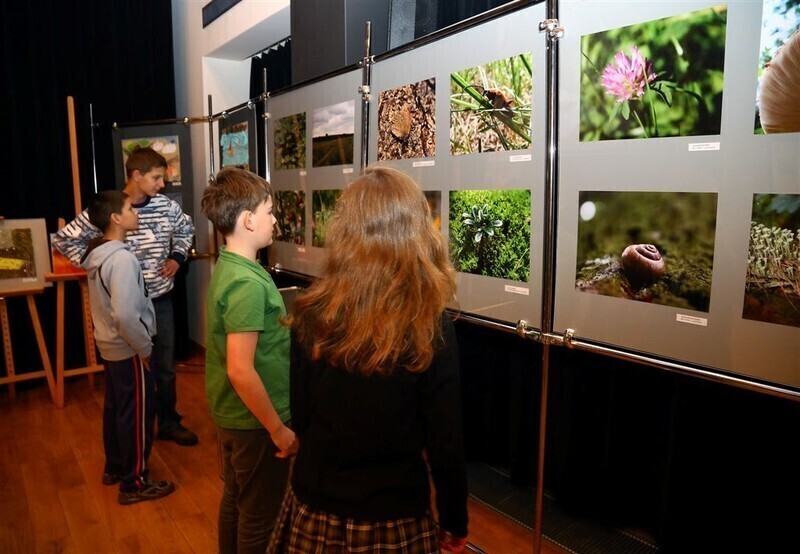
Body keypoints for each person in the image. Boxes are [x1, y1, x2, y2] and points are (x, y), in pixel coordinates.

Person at [268, 167, 469, 553]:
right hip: (394, 519)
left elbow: (302, 415)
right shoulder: (430, 323)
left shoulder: (311, 312)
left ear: (345, 231)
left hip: (315, 509)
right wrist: (454, 518)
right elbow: (445, 441)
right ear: (417, 231)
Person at [53, 146, 198, 446]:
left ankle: (168, 423)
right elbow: (64, 239)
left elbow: (187, 229)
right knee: (130, 377)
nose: (162, 184)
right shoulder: (112, 207)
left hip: (162, 301)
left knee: (166, 368)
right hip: (126, 309)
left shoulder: (167, 206)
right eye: (157, 178)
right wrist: (97, 262)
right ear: (136, 175)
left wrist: (177, 257)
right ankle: (138, 430)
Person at [201, 167, 298, 553]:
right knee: (261, 516)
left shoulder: (231, 267)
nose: (275, 219)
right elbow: (240, 369)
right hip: (256, 423)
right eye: (270, 211)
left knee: (237, 500)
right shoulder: (246, 283)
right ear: (248, 219)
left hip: (235, 417)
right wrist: (278, 429)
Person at [80, 190, 175, 505]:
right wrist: (145, 347)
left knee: (117, 408)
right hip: (128, 348)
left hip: (110, 346)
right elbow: (124, 314)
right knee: (136, 414)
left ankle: (116, 468)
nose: (135, 210)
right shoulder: (121, 259)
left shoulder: (102, 252)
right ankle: (133, 482)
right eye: (128, 208)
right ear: (115, 218)